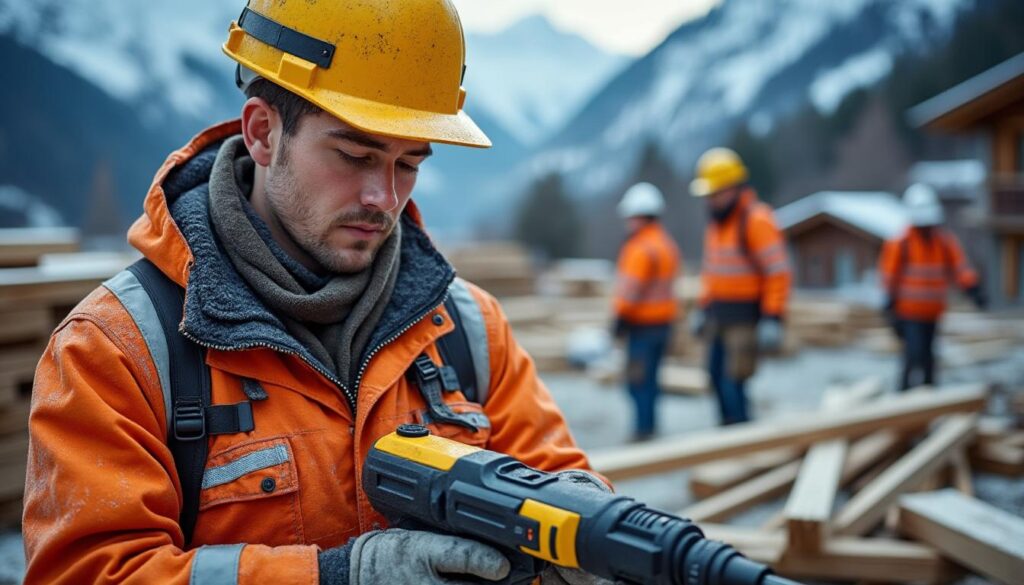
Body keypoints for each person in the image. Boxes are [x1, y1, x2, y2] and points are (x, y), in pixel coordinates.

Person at [22, 2, 611, 584]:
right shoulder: (116, 349)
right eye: (355, 156)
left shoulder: (467, 327)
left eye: (409, 164)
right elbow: (91, 573)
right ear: (263, 133)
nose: (384, 198)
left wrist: (585, 520)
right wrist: (336, 577)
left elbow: (553, 473)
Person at [688, 148, 791, 425]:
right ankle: (727, 430)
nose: (710, 200)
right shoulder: (717, 226)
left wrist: (773, 317)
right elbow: (712, 273)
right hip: (719, 316)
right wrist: (703, 308)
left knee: (733, 381)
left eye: (715, 193)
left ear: (732, 188)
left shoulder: (757, 221)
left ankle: (741, 432)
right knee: (714, 376)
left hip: (745, 319)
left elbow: (778, 273)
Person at [879, 183, 985, 391]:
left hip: (933, 313)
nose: (926, 228)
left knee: (928, 358)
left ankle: (929, 397)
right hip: (909, 313)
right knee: (913, 355)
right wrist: (889, 305)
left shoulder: (944, 243)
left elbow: (960, 268)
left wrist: (973, 289)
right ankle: (904, 396)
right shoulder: (901, 244)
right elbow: (888, 276)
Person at [611, 183, 681, 442]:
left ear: (640, 216)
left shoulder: (640, 248)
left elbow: (630, 290)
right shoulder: (666, 244)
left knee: (638, 382)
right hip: (664, 323)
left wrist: (619, 318)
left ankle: (643, 431)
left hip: (641, 326)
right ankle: (650, 425)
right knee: (651, 379)